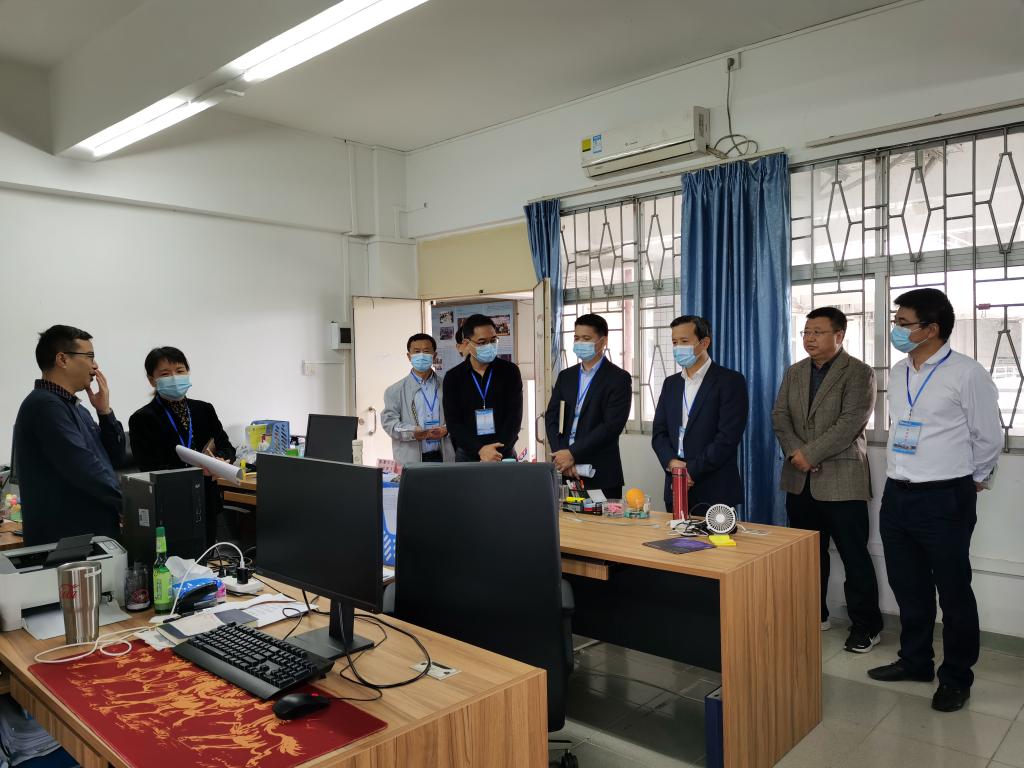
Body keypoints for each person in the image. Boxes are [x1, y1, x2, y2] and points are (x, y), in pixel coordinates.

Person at [867, 288, 1001, 713]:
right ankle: (915, 661)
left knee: (954, 592)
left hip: (944, 498)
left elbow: (988, 436)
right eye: (897, 322)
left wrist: (973, 480)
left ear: (931, 329)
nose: (895, 330)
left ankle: (956, 677)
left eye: (903, 323)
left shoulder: (967, 373)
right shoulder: (900, 371)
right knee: (909, 586)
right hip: (898, 495)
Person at [772, 307, 883, 652]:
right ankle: (813, 614)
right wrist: (796, 453)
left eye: (817, 332)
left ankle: (866, 626)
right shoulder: (795, 372)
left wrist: (810, 454)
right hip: (799, 480)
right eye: (806, 332)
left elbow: (850, 423)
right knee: (806, 555)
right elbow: (780, 416)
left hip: (842, 479)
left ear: (839, 335)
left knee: (854, 556)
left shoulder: (859, 372)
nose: (809, 338)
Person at [13, 325, 126, 545]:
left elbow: (115, 457)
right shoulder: (45, 406)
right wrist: (129, 504)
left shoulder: (78, 409)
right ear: (62, 359)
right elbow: (83, 467)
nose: (95, 365)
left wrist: (105, 413)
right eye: (89, 356)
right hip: (67, 543)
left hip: (91, 536)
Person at [128, 347, 236, 546]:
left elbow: (227, 446)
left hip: (206, 498)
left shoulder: (204, 409)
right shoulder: (142, 418)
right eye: (165, 374)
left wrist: (221, 459)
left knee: (208, 556)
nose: (175, 378)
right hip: (170, 502)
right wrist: (196, 468)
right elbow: (149, 466)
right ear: (152, 380)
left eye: (180, 371)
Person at [651, 315, 747, 514]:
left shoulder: (730, 381)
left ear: (704, 343)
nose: (678, 348)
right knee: (674, 534)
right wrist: (672, 464)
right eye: (674, 342)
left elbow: (727, 438)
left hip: (714, 488)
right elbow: (659, 433)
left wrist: (690, 471)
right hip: (675, 485)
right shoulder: (671, 384)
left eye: (684, 341)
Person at [543, 314, 632, 498]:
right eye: (576, 338)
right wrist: (561, 456)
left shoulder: (618, 378)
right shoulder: (566, 376)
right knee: (564, 517)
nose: (580, 343)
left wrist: (572, 453)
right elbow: (552, 416)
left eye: (586, 338)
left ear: (603, 341)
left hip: (599, 472)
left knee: (602, 518)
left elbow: (611, 427)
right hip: (565, 471)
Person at [442, 314, 523, 462]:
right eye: (482, 342)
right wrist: (480, 449)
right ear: (467, 343)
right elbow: (453, 422)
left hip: (503, 452)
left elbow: (514, 418)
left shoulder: (510, 371)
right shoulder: (453, 377)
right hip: (468, 455)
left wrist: (494, 451)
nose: (489, 346)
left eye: (493, 340)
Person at [381, 333, 455, 466]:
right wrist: (412, 432)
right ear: (409, 356)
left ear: (434, 356)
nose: (421, 355)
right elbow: (389, 424)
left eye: (426, 351)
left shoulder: (448, 386)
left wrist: (447, 429)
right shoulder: (394, 391)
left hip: (444, 456)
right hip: (411, 460)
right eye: (416, 351)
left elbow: (459, 417)